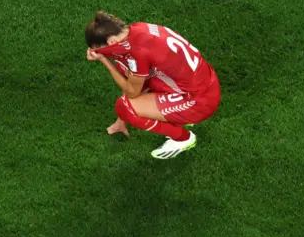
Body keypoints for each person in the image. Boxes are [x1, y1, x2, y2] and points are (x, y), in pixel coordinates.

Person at [85, 12, 221, 159]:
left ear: (111, 42)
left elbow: (132, 92)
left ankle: (183, 138)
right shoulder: (138, 29)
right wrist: (120, 122)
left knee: (125, 107)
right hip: (204, 82)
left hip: (199, 100)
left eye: (99, 49)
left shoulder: (137, 52)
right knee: (125, 69)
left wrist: (104, 61)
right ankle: (177, 116)